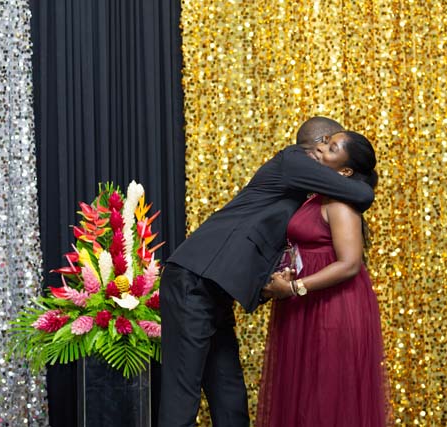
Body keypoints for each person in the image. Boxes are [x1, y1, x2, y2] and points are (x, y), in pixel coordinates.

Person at [158, 117, 375, 427]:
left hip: (214, 288)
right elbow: (364, 195)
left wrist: (281, 279)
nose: (326, 149)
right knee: (182, 395)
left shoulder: (309, 192)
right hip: (192, 279)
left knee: (229, 391)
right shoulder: (293, 160)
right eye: (327, 144)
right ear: (317, 145)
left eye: (333, 147)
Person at [256, 130, 389, 426]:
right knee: (302, 395)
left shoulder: (340, 203)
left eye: (331, 148)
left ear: (345, 171)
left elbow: (350, 264)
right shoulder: (315, 196)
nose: (320, 148)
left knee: (326, 395)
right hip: (305, 304)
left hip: (333, 307)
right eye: (325, 141)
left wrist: (294, 287)